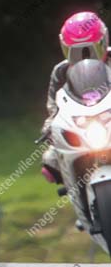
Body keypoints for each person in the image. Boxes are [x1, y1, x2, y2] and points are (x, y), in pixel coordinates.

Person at [40, 11, 111, 184]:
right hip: (83, 125)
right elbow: (53, 107)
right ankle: (76, 190)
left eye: (90, 50)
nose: (84, 57)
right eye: (75, 52)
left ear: (103, 42)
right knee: (50, 160)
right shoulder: (61, 72)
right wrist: (49, 127)